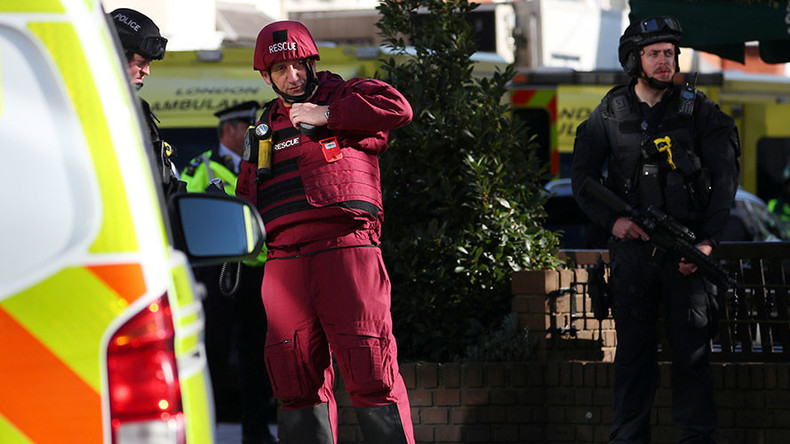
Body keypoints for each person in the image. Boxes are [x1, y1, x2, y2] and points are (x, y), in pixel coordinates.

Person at [235, 20, 415, 444]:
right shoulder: (262, 129)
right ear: (266, 76)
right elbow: (248, 196)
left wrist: (327, 115)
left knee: (371, 368)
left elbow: (399, 109)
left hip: (346, 250)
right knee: (293, 381)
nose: (292, 76)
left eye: (298, 65)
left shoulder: (346, 95)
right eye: (280, 70)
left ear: (312, 62)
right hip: (283, 262)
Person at [571, 16, 740, 443]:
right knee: (632, 358)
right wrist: (615, 221)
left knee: (693, 358)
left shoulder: (698, 110)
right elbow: (582, 179)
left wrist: (705, 243)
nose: (665, 62)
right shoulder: (610, 112)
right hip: (633, 259)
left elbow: (725, 181)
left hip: (687, 258)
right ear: (635, 60)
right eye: (654, 54)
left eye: (669, 53)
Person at [181, 102, 275, 444]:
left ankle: (257, 431)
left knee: (257, 355)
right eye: (246, 127)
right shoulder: (201, 166)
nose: (252, 133)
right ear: (229, 131)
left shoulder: (262, 165)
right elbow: (185, 209)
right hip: (218, 272)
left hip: (258, 272)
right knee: (213, 353)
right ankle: (204, 429)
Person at [110, 8, 184, 197]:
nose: (146, 72)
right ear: (116, 55)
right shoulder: (86, 105)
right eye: (141, 63)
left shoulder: (138, 110)